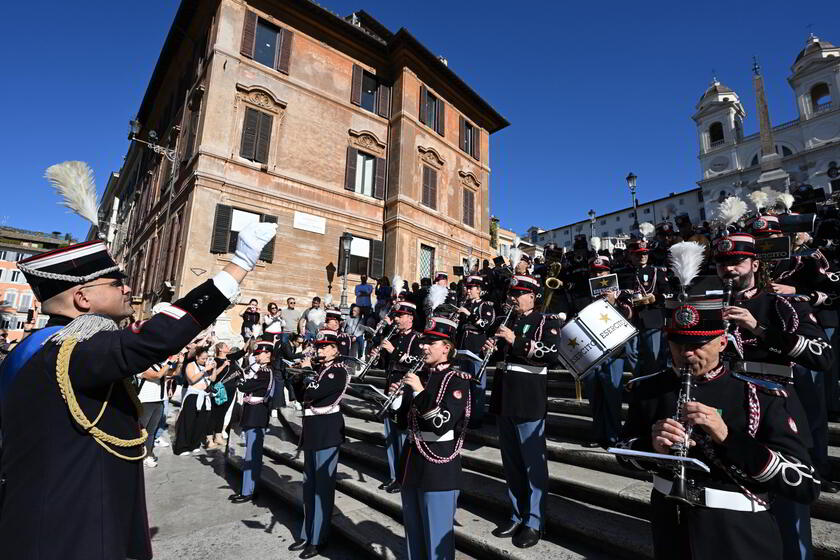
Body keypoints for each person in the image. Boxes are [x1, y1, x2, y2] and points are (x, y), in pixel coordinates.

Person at [0, 164, 276, 560]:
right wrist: (240, 264)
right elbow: (152, 340)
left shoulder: (40, 351)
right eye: (117, 283)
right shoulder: (73, 351)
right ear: (83, 299)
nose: (129, 288)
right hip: (72, 526)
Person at [615, 270, 820, 559]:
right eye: (679, 344)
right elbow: (623, 450)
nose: (687, 354)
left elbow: (805, 484)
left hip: (738, 531)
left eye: (698, 345)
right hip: (671, 525)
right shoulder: (649, 389)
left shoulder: (761, 394)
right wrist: (652, 447)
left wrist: (726, 436)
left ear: (722, 343)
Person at [713, 232, 834, 560]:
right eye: (723, 265)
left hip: (777, 413)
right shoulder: (710, 304)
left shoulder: (782, 302)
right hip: (729, 416)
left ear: (754, 263)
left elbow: (822, 356)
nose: (730, 270)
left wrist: (759, 328)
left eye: (737, 262)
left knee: (789, 516)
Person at [486, 274, 561, 548]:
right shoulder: (507, 320)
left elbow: (551, 353)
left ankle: (534, 521)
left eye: (519, 293)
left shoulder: (546, 321)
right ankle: (517, 514)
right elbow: (503, 358)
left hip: (528, 398)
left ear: (532, 296)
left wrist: (515, 339)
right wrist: (492, 349)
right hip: (504, 396)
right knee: (512, 463)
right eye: (512, 293)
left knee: (532, 465)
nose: (514, 298)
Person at [393, 316, 471, 560]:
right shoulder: (421, 375)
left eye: (431, 342)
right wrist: (396, 401)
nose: (423, 346)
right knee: (414, 535)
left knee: (437, 536)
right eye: (424, 341)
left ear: (446, 347)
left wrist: (419, 391)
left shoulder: (456, 380)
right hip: (411, 461)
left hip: (438, 466)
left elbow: (441, 424)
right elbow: (404, 421)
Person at [289, 329, 349, 559]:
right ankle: (307, 534)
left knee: (322, 489)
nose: (320, 350)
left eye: (325, 347)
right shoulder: (318, 370)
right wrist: (296, 378)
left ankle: (318, 538)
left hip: (327, 432)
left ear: (335, 349)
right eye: (319, 346)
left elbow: (315, 393)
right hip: (313, 432)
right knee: (309, 487)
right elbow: (300, 395)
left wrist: (304, 372)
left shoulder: (337, 371)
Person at [584, 254, 631, 449]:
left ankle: (613, 435)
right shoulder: (584, 295)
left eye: (602, 271)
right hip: (591, 354)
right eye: (595, 271)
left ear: (609, 272)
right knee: (595, 396)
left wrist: (612, 302)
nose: (599, 274)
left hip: (614, 353)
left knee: (612, 395)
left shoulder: (622, 295)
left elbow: (629, 318)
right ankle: (598, 433)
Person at [377, 301, 423, 493]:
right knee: (390, 434)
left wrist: (393, 351)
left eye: (399, 316)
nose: (396, 319)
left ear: (410, 318)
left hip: (405, 391)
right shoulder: (393, 336)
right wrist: (378, 350)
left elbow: (418, 362)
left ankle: (405, 476)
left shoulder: (417, 338)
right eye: (395, 316)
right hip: (391, 387)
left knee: (403, 435)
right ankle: (394, 475)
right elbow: (384, 364)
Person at [230, 339, 274, 503]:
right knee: (251, 454)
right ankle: (248, 488)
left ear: (268, 354)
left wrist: (242, 380)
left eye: (259, 353)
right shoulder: (260, 370)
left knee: (252, 456)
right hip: (252, 415)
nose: (257, 356)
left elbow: (244, 387)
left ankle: (248, 490)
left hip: (257, 416)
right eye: (255, 353)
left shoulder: (265, 372)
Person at [617, 239, 669, 377]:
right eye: (638, 254)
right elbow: (617, 293)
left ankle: (653, 380)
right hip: (630, 318)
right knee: (631, 353)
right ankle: (638, 379)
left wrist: (655, 298)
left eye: (645, 253)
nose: (642, 256)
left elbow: (668, 293)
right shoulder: (621, 273)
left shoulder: (656, 272)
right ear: (630, 255)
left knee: (653, 353)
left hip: (651, 317)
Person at [456, 275, 495, 427]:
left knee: (477, 385)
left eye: (471, 288)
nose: (468, 290)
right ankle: (465, 415)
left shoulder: (485, 306)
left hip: (477, 348)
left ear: (478, 289)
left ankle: (476, 418)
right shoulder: (466, 304)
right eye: (467, 287)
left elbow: (485, 324)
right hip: (463, 347)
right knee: (464, 384)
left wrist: (468, 315)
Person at [172, 346, 222, 454]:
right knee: (188, 422)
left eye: (206, 358)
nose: (205, 360)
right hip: (193, 396)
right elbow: (192, 379)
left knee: (200, 422)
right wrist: (205, 370)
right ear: (197, 357)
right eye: (203, 358)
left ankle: (194, 444)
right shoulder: (191, 365)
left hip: (204, 396)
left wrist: (213, 369)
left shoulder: (206, 367)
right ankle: (182, 447)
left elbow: (212, 379)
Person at [136, 356, 178, 468]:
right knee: (141, 430)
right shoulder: (142, 366)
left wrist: (179, 362)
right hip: (146, 401)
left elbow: (174, 373)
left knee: (151, 431)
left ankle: (148, 454)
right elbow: (157, 375)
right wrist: (170, 361)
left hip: (159, 401)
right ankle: (139, 454)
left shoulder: (160, 366)